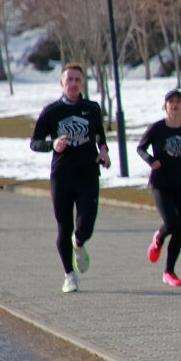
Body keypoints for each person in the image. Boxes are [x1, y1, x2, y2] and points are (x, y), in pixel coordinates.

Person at [29, 63, 111, 293]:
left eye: (77, 79)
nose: (73, 84)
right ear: (61, 83)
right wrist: (52, 144)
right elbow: (34, 142)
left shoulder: (92, 108)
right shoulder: (52, 111)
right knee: (64, 227)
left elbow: (99, 135)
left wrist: (103, 151)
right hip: (62, 176)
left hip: (88, 175)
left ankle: (80, 243)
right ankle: (69, 276)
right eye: (69, 80)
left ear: (82, 83)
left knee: (85, 226)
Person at [136, 90, 181, 287]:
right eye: (171, 102)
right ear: (165, 106)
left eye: (178, 102)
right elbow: (141, 148)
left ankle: (169, 272)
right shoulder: (157, 128)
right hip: (160, 183)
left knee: (179, 230)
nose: (174, 105)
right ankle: (158, 238)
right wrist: (151, 160)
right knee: (171, 221)